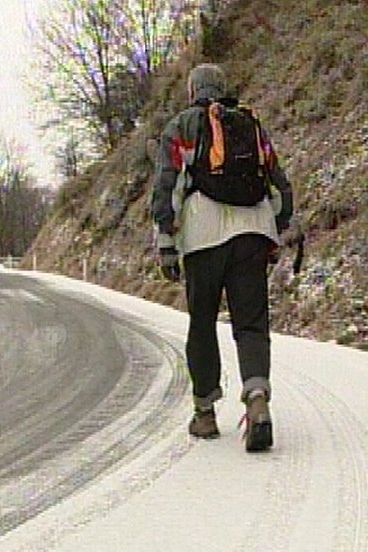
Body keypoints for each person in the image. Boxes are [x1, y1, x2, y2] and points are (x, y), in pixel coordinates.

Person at [151, 63, 293, 451]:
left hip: (202, 236)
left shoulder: (182, 127)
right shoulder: (251, 125)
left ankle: (205, 413)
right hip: (253, 232)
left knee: (202, 323)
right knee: (251, 323)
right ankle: (257, 396)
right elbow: (279, 186)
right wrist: (274, 230)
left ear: (192, 90)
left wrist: (165, 238)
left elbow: (168, 185)